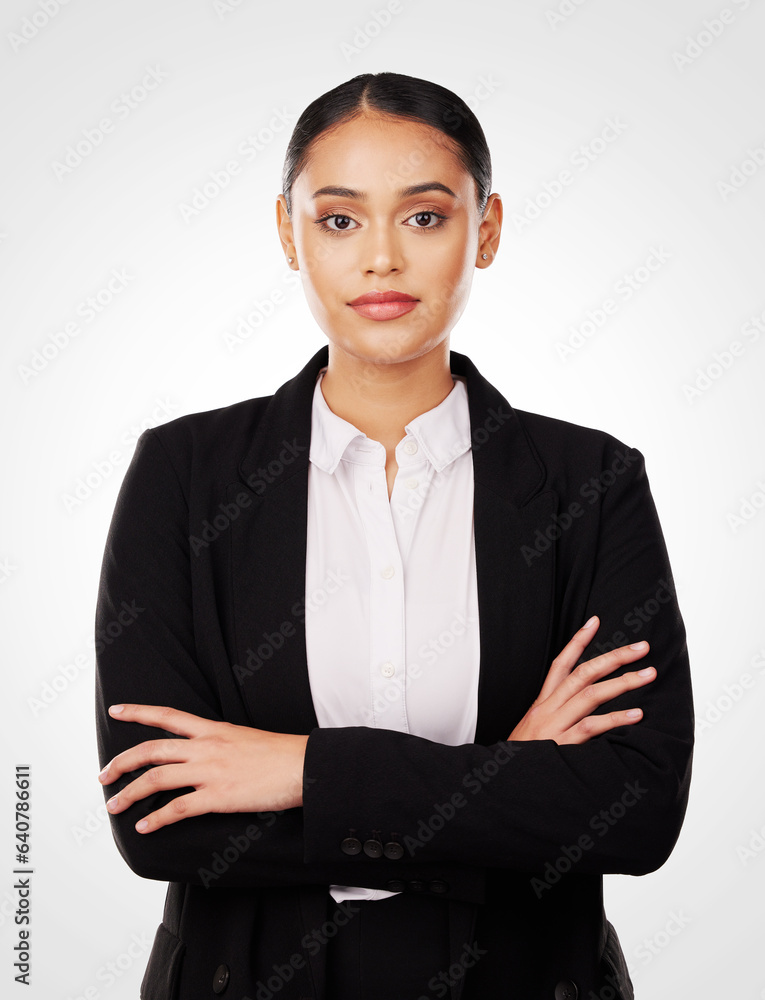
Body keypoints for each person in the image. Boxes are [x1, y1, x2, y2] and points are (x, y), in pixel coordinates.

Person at [94, 71, 694, 1000]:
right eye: (339, 220)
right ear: (287, 233)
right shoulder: (183, 474)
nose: (381, 259)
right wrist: (508, 780)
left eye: (423, 218)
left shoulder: (591, 483)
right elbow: (161, 823)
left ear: (484, 230)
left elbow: (634, 814)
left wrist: (297, 770)